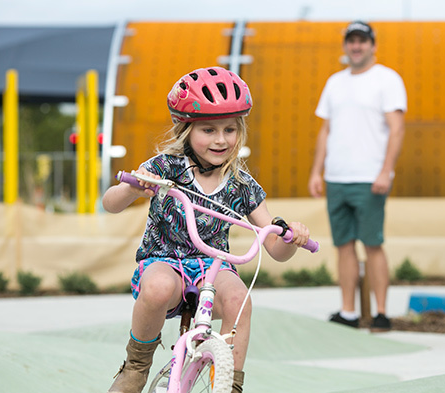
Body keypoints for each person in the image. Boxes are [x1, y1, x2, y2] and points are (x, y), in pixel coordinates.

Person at [103, 66, 310, 393]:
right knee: (156, 288)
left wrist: (289, 236)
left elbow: (273, 245)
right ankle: (136, 366)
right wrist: (132, 188)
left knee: (240, 298)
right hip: (164, 259)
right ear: (186, 130)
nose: (221, 139)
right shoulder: (165, 167)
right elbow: (110, 203)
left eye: (230, 130)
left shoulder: (242, 184)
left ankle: (229, 382)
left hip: (213, 266)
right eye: (209, 130)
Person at [308, 21, 407, 332]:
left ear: (373, 45)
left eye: (362, 41)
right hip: (337, 177)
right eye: (351, 41)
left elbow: (397, 129)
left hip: (369, 177)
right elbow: (325, 130)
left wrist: (385, 170)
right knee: (344, 245)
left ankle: (381, 313)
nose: (356, 46)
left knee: (372, 243)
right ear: (345, 46)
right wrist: (317, 171)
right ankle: (348, 312)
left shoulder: (387, 79)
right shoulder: (335, 82)